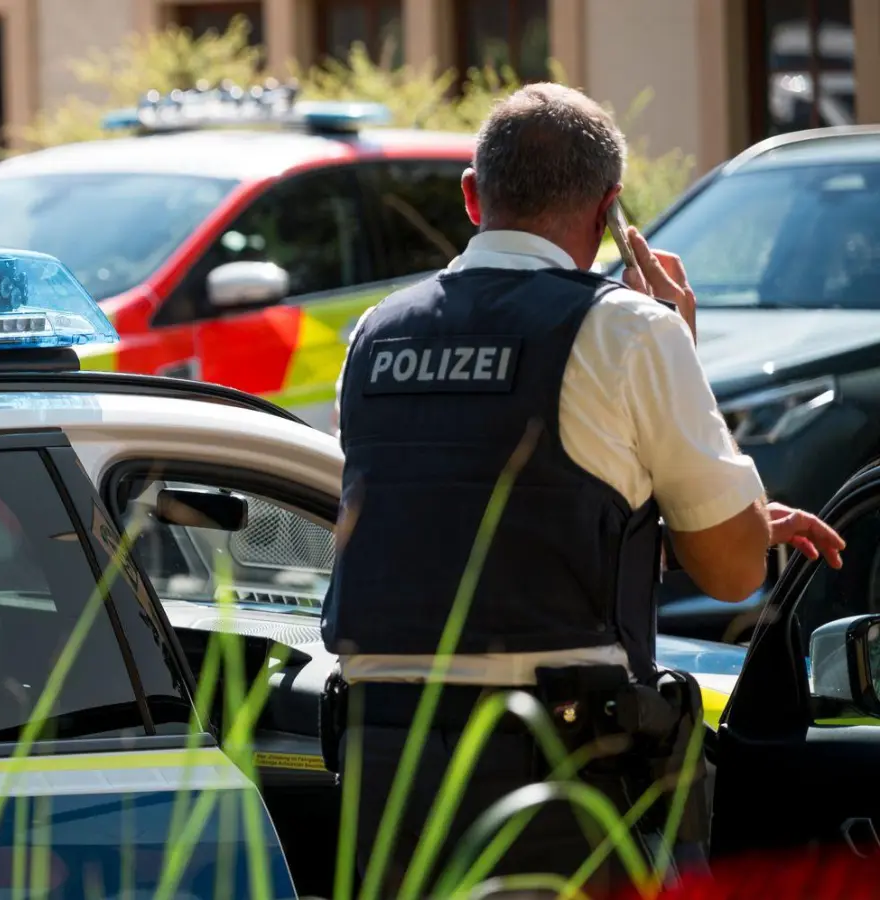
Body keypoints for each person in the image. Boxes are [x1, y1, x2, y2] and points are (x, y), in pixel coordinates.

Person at [318, 83, 846, 896]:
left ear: (471, 197)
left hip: (385, 768)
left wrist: (649, 537)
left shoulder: (376, 332)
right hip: (558, 776)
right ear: (609, 212)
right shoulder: (634, 330)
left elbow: (454, 522)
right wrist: (681, 345)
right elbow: (735, 575)